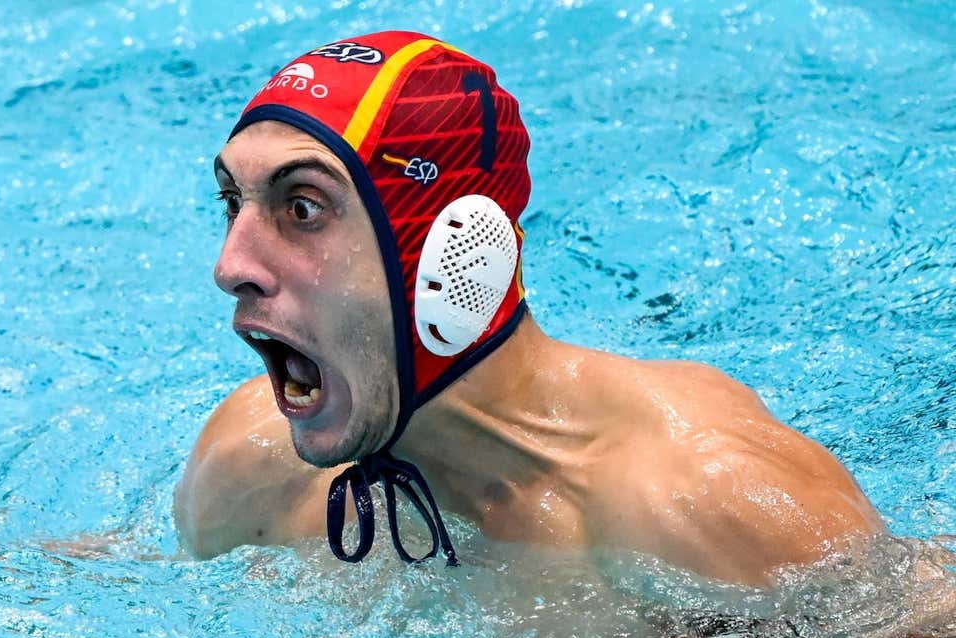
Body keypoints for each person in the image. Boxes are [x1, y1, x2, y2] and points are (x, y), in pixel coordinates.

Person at [173, 30, 886, 586]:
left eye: (302, 208)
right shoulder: (245, 470)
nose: (230, 265)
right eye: (233, 203)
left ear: (454, 252)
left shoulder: (708, 501)